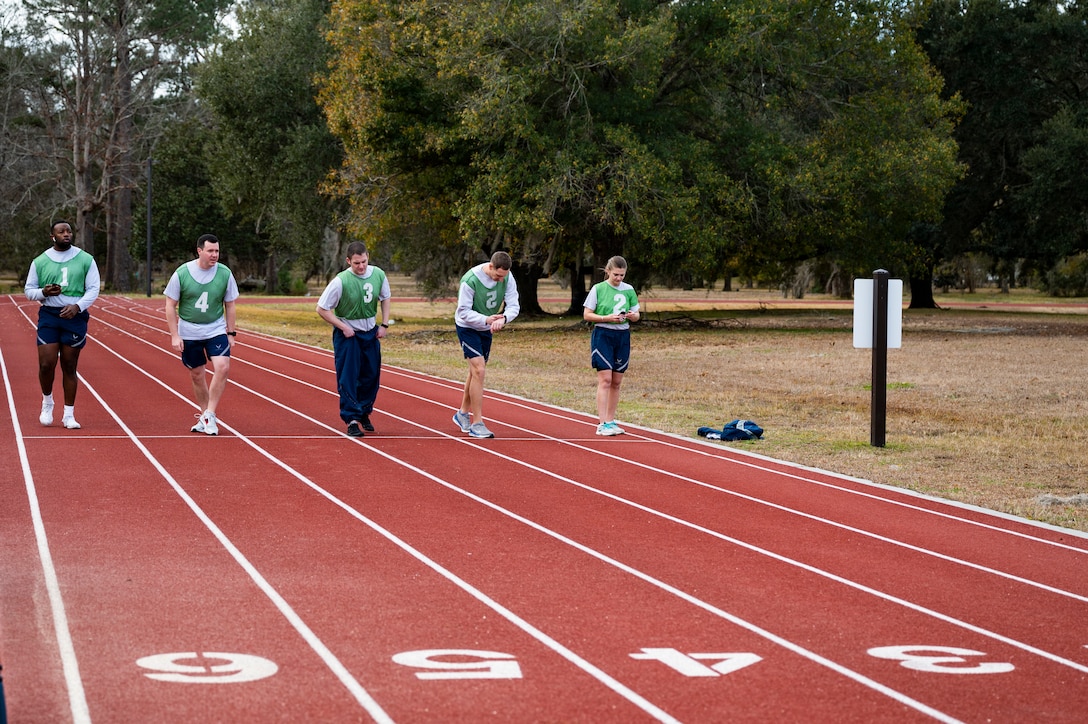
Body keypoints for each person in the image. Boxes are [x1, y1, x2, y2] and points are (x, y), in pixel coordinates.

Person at [24, 220, 101, 430]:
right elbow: (29, 290)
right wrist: (44, 293)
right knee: (46, 364)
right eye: (61, 231)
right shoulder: (40, 261)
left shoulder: (85, 259)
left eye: (68, 231)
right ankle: (47, 402)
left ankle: (69, 414)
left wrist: (77, 306)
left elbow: (93, 289)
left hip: (74, 317)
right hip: (50, 315)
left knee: (69, 365)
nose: (66, 234)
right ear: (53, 236)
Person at [164, 234, 239, 436]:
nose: (214, 255)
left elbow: (230, 304)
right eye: (210, 251)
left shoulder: (225, 273)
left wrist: (231, 332)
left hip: (215, 328)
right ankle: (204, 415)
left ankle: (210, 414)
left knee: (222, 367)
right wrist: (174, 335)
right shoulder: (182, 273)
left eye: (217, 251)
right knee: (197, 375)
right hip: (189, 330)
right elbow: (170, 306)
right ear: (199, 251)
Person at [316, 241, 391, 438]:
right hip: (348, 335)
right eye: (356, 263)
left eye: (364, 262)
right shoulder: (340, 281)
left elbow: (385, 297)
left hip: (370, 333)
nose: (361, 266)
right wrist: (343, 327)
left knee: (371, 375)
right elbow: (322, 309)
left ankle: (364, 412)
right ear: (348, 261)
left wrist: (384, 324)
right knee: (348, 376)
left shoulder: (379, 275)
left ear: (368, 257)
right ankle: (351, 419)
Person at [452, 250, 520, 439]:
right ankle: (477, 422)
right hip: (468, 326)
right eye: (497, 275)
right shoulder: (470, 280)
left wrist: (503, 318)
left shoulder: (507, 277)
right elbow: (464, 311)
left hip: (487, 327)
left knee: (475, 372)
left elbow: (514, 304)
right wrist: (486, 319)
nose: (500, 280)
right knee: (479, 370)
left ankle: (462, 414)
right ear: (490, 266)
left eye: (503, 277)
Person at [583, 255, 640, 436]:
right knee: (605, 379)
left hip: (622, 335)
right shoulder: (598, 289)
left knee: (616, 381)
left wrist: (632, 315)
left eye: (622, 275)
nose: (619, 278)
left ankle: (611, 420)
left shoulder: (629, 289)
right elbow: (587, 314)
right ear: (608, 271)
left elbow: (637, 315)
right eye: (616, 274)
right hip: (603, 334)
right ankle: (602, 423)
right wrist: (606, 318)